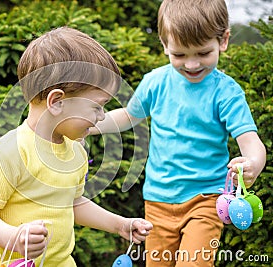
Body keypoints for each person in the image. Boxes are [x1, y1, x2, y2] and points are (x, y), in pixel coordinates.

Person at [89, 0, 266, 266]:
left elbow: (251, 142)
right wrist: (88, 124)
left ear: (224, 40)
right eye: (180, 55)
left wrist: (253, 163)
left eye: (203, 53)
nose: (192, 64)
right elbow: (128, 116)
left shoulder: (226, 93)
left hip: (205, 200)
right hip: (157, 201)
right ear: (164, 45)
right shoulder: (154, 83)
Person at [0, 26, 153, 267]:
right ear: (57, 102)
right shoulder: (12, 151)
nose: (102, 116)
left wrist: (119, 224)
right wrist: (12, 237)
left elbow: (73, 202)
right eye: (97, 106)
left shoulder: (75, 151)